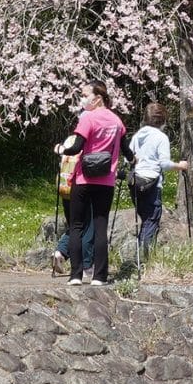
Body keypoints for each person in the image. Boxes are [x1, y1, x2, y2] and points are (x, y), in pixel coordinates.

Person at [55, 84, 127, 284]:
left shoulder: (87, 117)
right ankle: (100, 276)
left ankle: (76, 275)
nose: (82, 99)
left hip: (83, 179)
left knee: (76, 226)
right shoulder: (116, 120)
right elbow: (127, 150)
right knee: (100, 226)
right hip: (106, 181)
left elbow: (76, 146)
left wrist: (60, 149)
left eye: (85, 95)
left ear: (97, 99)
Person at [126, 102, 189, 261]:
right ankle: (143, 260)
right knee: (152, 220)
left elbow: (128, 160)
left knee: (144, 220)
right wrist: (180, 166)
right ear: (163, 120)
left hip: (135, 182)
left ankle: (139, 259)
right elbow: (164, 164)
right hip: (151, 184)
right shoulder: (161, 137)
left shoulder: (137, 136)